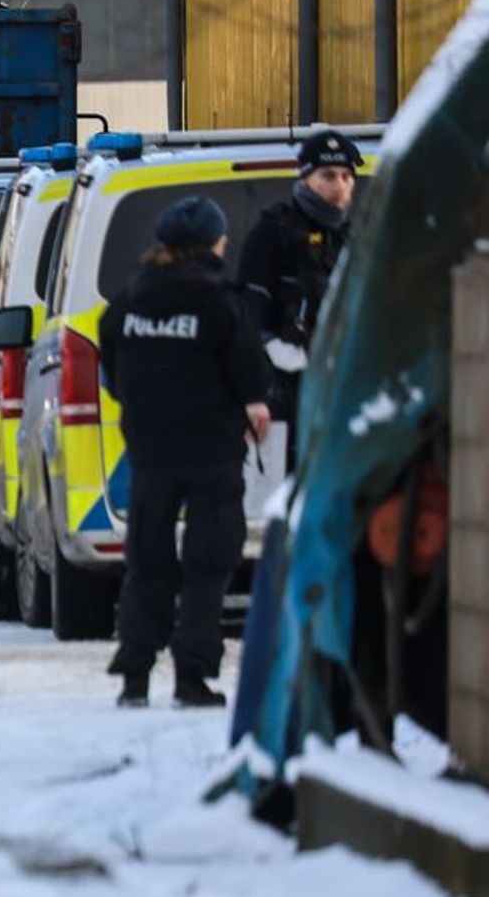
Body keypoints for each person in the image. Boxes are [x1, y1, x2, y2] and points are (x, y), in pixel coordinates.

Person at [98, 194, 274, 709]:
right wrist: (253, 408)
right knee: (208, 564)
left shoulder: (129, 299)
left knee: (146, 563)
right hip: (213, 454)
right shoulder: (218, 299)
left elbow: (112, 370)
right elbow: (251, 376)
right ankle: (191, 677)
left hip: (150, 450)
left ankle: (134, 675)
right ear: (212, 243)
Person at [236, 127, 362, 439]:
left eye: (347, 177)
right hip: (280, 390)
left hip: (341, 385)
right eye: (328, 175)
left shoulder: (356, 237)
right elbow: (248, 313)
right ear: (306, 178)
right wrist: (279, 351)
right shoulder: (272, 233)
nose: (339, 186)